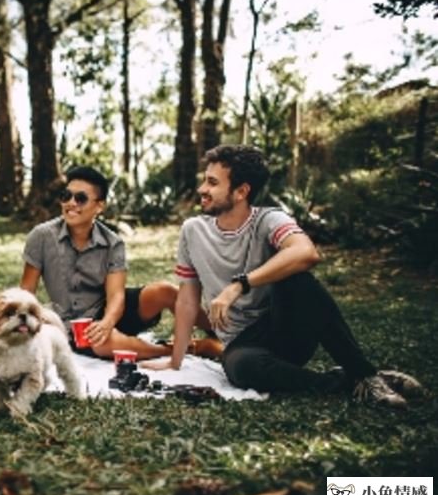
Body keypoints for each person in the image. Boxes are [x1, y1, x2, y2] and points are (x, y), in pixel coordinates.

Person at [145, 144, 423, 407]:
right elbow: (187, 300)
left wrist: (239, 285)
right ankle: (347, 380)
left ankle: (365, 375)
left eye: (213, 183)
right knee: (241, 368)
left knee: (298, 279)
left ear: (241, 191)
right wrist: (175, 361)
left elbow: (306, 252)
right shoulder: (193, 231)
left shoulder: (269, 220)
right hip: (243, 345)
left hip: (286, 330)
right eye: (205, 180)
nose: (202, 189)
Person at [20, 166, 217, 360]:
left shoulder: (112, 242)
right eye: (66, 196)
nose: (71, 203)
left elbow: (116, 296)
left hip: (110, 312)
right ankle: (193, 349)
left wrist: (107, 322)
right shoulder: (42, 236)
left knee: (164, 291)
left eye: (80, 198)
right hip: (72, 325)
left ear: (99, 206)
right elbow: (26, 292)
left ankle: (221, 332)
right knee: (102, 342)